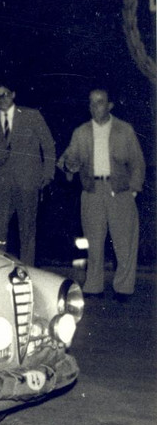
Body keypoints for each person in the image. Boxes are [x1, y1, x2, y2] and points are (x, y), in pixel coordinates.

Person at [57, 89, 145, 301]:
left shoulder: (125, 130)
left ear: (109, 105)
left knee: (124, 243)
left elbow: (137, 162)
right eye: (91, 103)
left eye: (99, 102)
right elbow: (67, 160)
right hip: (92, 191)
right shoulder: (81, 132)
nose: (94, 106)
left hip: (120, 190)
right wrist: (69, 165)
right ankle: (94, 286)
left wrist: (133, 190)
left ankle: (123, 288)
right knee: (94, 242)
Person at [0, 84, 55, 265]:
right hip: (3, 184)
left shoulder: (32, 116)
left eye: (5, 94)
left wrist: (48, 173)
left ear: (13, 95)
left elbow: (48, 145)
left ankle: (28, 271)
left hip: (29, 181)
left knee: (27, 231)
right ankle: (1, 270)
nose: (2, 99)